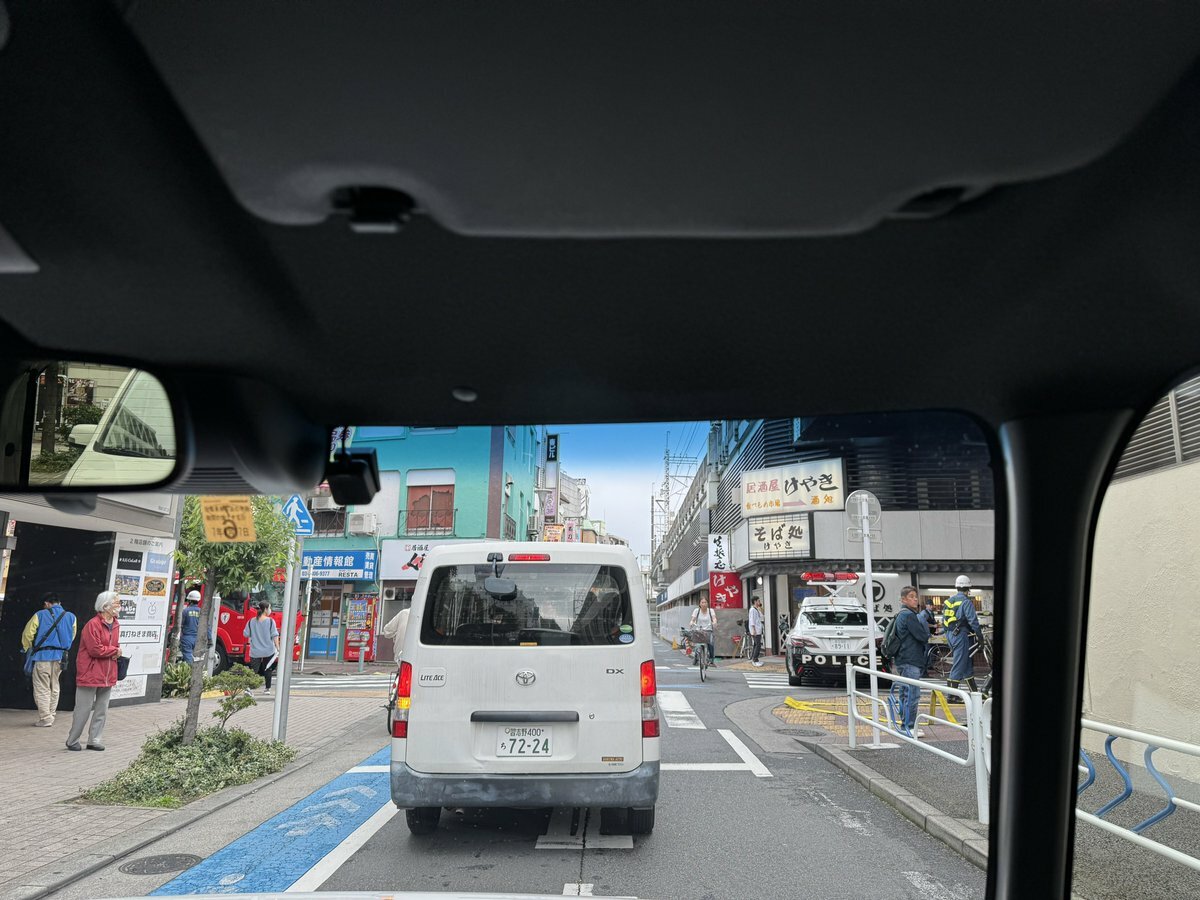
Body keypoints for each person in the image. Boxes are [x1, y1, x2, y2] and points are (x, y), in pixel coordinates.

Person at [66, 591, 122, 751]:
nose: (119, 606)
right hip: (90, 673)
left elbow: (111, 646)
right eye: (117, 603)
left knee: (101, 710)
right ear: (105, 606)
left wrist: (114, 650)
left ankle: (94, 740)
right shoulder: (93, 624)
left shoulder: (116, 624)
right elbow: (95, 649)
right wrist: (115, 651)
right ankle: (72, 740)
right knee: (82, 710)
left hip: (108, 673)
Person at [21, 592, 78, 727]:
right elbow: (72, 635)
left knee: (42, 687)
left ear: (47, 603)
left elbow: (28, 634)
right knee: (55, 685)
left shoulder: (40, 615)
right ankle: (51, 714)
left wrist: (27, 648)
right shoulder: (71, 617)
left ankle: (46, 718)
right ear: (59, 603)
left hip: (43, 656)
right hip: (60, 658)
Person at [893, 586, 932, 738]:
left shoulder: (901, 614)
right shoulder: (909, 615)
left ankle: (904, 725)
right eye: (911, 596)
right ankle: (908, 726)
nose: (915, 599)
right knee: (912, 695)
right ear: (903, 599)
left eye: (916, 596)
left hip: (902, 659)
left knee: (904, 694)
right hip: (911, 660)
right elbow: (922, 636)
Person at [944, 575, 983, 694]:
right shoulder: (966, 602)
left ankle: (974, 693)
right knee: (959, 664)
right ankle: (952, 695)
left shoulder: (950, 601)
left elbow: (945, 620)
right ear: (968, 589)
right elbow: (973, 622)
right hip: (960, 635)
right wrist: (980, 638)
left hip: (950, 634)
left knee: (966, 664)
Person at [244, 599, 280, 694]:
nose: (270, 610)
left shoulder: (251, 621)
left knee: (253, 670)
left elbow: (246, 634)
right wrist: (278, 647)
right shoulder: (271, 621)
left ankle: (249, 689)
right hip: (268, 650)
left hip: (255, 651)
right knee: (268, 669)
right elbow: (275, 635)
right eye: (270, 608)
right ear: (266, 609)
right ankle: (267, 689)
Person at [689, 596, 716, 666]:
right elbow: (693, 619)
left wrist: (714, 622)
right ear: (699, 604)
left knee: (711, 644)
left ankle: (711, 660)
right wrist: (691, 623)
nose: (704, 604)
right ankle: (696, 658)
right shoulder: (696, 611)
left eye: (705, 602)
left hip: (708, 630)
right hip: (699, 631)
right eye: (702, 602)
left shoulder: (711, 611)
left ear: (707, 603)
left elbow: (714, 618)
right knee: (697, 645)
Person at [178, 590, 202, 663]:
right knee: (198, 659)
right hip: (198, 639)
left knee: (188, 657)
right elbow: (207, 626)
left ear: (190, 601)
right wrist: (209, 639)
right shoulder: (201, 612)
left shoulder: (186, 611)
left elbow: (180, 624)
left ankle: (190, 669)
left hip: (187, 638)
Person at [748, 596, 765, 666]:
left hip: (757, 629)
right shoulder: (752, 610)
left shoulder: (756, 609)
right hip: (756, 630)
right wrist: (754, 630)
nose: (759, 602)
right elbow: (752, 620)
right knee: (758, 645)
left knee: (756, 644)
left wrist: (760, 608)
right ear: (755, 601)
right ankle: (755, 660)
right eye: (758, 601)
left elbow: (762, 616)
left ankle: (753, 659)